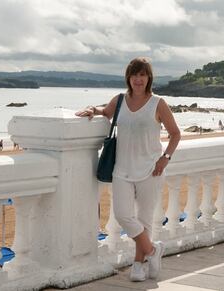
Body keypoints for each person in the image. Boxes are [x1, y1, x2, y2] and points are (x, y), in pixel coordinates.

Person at [76, 57, 180, 282]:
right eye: (134, 75)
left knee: (144, 220)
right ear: (128, 78)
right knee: (123, 215)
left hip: (151, 169)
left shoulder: (158, 103)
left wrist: (165, 158)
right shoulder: (120, 100)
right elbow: (105, 112)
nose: (138, 79)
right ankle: (153, 250)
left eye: (142, 74)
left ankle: (138, 265)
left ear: (148, 77)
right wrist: (91, 109)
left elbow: (175, 133)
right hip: (122, 169)